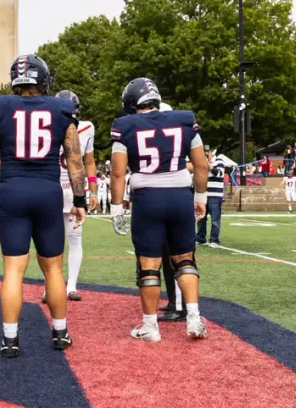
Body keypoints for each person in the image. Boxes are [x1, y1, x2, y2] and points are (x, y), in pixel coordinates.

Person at [0, 54, 85, 358]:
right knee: (53, 269)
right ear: (44, 79)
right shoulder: (61, 107)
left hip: (13, 189)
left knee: (13, 270)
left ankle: (10, 339)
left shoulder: (0, 105)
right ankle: (60, 332)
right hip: (48, 190)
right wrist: (80, 199)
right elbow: (74, 158)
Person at [109, 77, 209, 342]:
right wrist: (200, 197)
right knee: (185, 259)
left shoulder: (124, 125)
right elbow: (201, 165)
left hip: (147, 198)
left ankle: (150, 327)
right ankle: (194, 319)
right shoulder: (184, 119)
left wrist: (116, 208)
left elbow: (118, 173)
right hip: (179, 196)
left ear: (131, 102)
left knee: (149, 265)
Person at [41, 89, 96, 303]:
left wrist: (91, 189)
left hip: (75, 189)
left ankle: (71, 285)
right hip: (53, 187)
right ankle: (50, 287)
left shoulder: (87, 128)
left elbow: (89, 162)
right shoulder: (47, 126)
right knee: (50, 241)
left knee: (74, 238)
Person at [197, 155, 225, 246]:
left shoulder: (219, 161)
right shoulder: (200, 163)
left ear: (211, 153)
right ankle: (200, 238)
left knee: (215, 220)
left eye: (206, 153)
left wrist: (208, 165)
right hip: (203, 195)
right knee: (201, 219)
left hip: (215, 196)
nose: (205, 155)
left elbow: (219, 173)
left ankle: (214, 240)